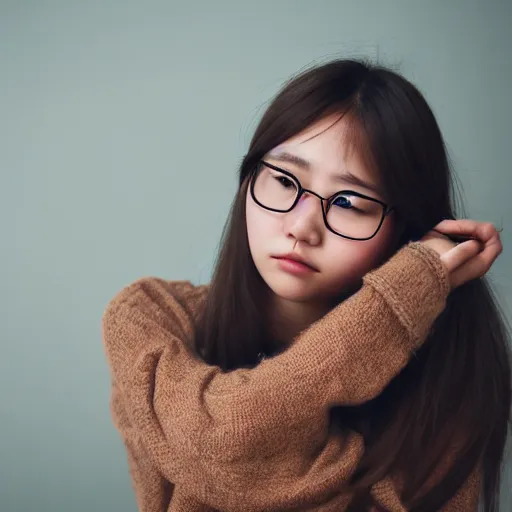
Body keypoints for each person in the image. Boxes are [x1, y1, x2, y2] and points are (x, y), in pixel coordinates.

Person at [102, 59, 510, 511]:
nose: (302, 227)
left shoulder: (445, 384)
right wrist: (395, 306)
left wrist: (405, 295)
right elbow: (218, 446)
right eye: (282, 180)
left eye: (348, 202)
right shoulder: (151, 316)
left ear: (405, 232)